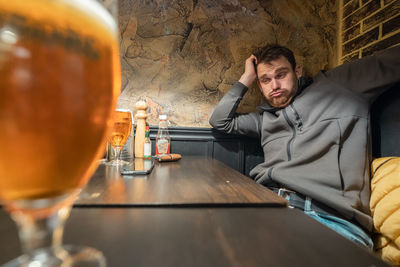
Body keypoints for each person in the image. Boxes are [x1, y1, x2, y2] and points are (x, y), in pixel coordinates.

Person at [209, 44, 400, 249]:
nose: (274, 85)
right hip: (267, 207)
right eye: (265, 80)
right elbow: (220, 120)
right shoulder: (263, 120)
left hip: (331, 219)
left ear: (297, 71)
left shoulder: (338, 85)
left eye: (281, 75)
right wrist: (247, 77)